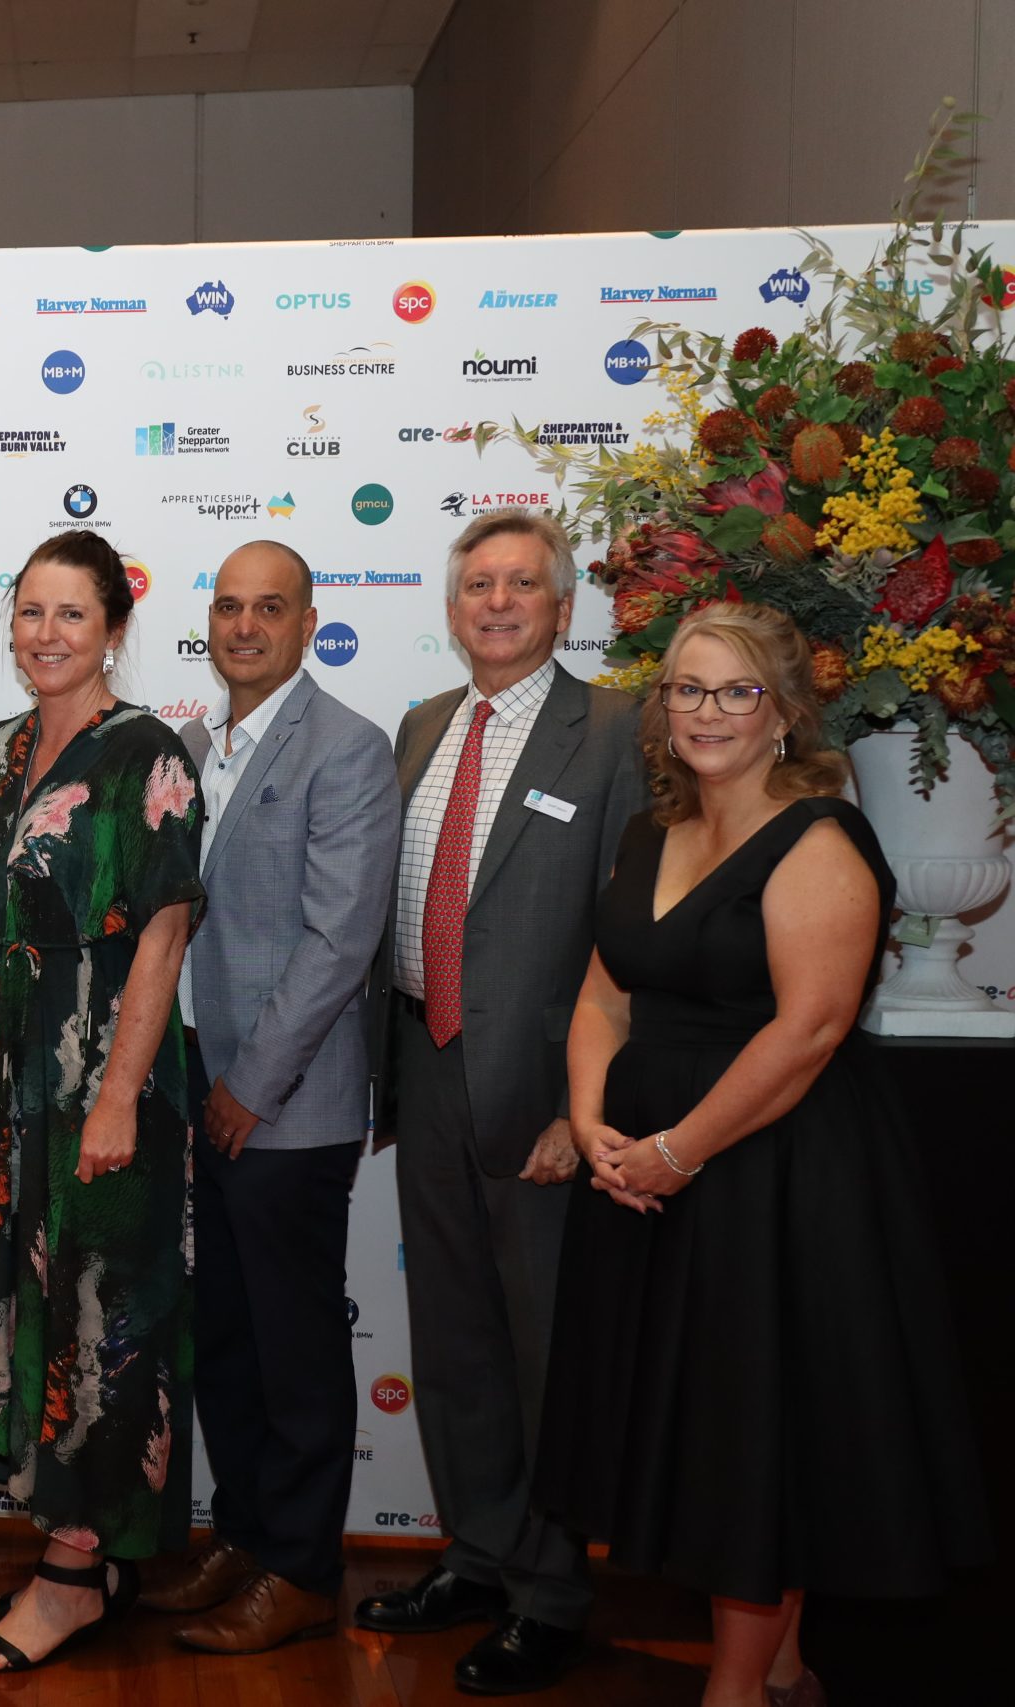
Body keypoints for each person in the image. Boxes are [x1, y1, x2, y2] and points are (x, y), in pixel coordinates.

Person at [536, 604, 988, 1707]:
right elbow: (603, 994)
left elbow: (809, 1031)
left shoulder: (819, 839)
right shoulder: (649, 833)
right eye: (687, 689)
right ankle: (782, 1669)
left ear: (783, 712)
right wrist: (591, 1123)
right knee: (706, 1433)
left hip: (771, 1173)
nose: (707, 712)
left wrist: (677, 1152)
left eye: (736, 691)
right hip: (649, 1170)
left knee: (754, 1437)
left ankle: (735, 1690)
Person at [360, 509, 643, 1695]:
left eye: (522, 584)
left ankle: (550, 1593)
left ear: (563, 608)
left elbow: (631, 935)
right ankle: (477, 1556)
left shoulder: (618, 730)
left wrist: (583, 1107)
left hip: (543, 1090)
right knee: (456, 1341)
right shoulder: (424, 724)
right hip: (423, 1064)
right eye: (477, 584)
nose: (497, 602)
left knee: (540, 1352)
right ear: (451, 606)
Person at [0, 529, 206, 1673]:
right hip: (2, 1070)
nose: (46, 635)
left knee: (100, 1312)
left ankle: (72, 1579)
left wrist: (119, 1097)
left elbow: (164, 933)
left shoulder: (148, 751)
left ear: (114, 628)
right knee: (21, 1301)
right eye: (29, 613)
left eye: (71, 615)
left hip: (99, 1066)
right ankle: (75, 1553)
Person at [148, 541, 398, 1655]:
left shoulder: (346, 746)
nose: (244, 626)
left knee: (293, 1347)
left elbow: (339, 939)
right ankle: (244, 1537)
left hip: (285, 1103)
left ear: (307, 623)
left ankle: (300, 1569)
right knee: (227, 1336)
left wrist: (250, 1085)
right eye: (228, 607)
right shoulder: (199, 745)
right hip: (199, 1089)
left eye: (269, 607)